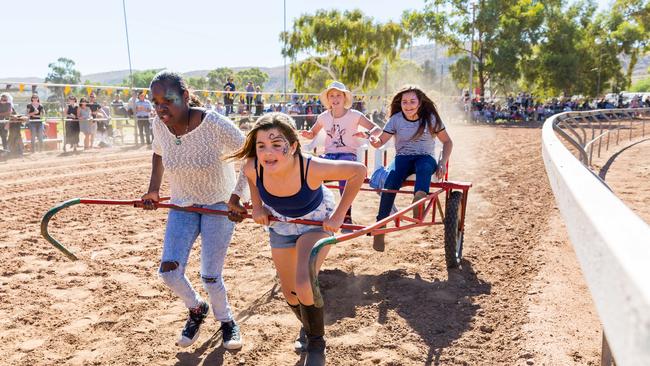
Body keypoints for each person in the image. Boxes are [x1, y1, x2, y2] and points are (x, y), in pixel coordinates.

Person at [227, 112, 367, 366]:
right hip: (282, 226)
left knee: (304, 282)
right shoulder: (253, 166)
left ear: (292, 147)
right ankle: (309, 327)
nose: (268, 152)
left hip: (314, 222)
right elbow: (251, 179)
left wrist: (339, 215)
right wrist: (257, 206)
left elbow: (358, 171)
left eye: (276, 145)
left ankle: (317, 344)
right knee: (290, 294)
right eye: (261, 146)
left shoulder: (310, 167)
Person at [137, 71, 246, 350]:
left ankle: (226, 321)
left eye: (168, 101)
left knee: (210, 276)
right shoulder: (159, 124)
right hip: (182, 205)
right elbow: (159, 152)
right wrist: (153, 189)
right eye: (155, 102)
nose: (161, 108)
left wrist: (237, 197)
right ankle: (197, 308)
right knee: (169, 272)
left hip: (218, 205)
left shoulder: (215, 124)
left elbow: (251, 155)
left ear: (185, 97)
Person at [369, 86, 453, 252]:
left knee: (423, 167)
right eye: (404, 102)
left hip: (425, 157)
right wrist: (375, 141)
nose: (408, 106)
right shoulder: (396, 119)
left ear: (420, 103)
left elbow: (448, 142)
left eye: (412, 102)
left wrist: (442, 161)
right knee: (391, 180)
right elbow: (381, 141)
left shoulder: (431, 118)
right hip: (402, 158)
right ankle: (380, 226)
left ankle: (419, 202)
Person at [300, 81, 381, 229]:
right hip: (329, 156)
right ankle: (311, 209)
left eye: (338, 95)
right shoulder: (323, 117)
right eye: (332, 96)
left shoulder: (355, 115)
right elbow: (313, 133)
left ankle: (346, 214)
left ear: (344, 98)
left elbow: (377, 128)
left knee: (346, 173)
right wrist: (308, 134)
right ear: (328, 99)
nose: (335, 98)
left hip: (348, 154)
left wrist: (367, 133)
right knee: (306, 169)